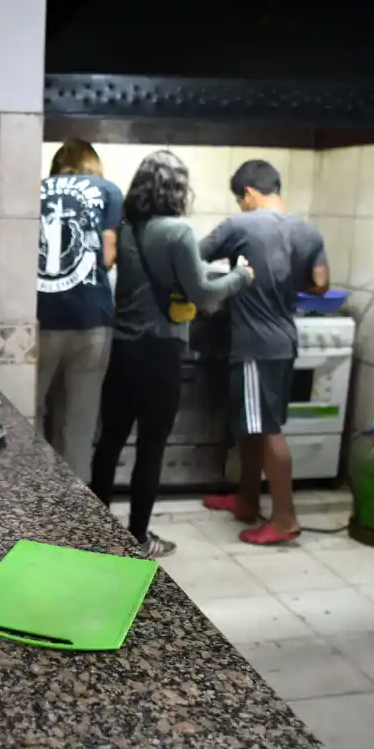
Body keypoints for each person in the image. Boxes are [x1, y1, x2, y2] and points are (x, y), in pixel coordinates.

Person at [90, 150, 253, 558]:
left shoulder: (125, 228)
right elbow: (203, 294)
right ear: (177, 189)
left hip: (121, 351)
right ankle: (138, 538)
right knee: (151, 447)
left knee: (109, 443)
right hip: (160, 353)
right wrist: (240, 277)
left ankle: (93, 533)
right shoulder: (177, 232)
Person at [198, 160, 329, 545]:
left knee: (267, 429)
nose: (241, 206)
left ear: (250, 194)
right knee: (251, 425)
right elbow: (321, 283)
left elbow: (190, 257)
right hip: (285, 338)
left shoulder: (242, 224)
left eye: (241, 200)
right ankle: (246, 500)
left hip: (257, 344)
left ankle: (285, 518)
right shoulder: (306, 228)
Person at [36, 139, 122, 481]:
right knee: (79, 425)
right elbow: (108, 255)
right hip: (91, 320)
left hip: (38, 318)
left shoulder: (36, 190)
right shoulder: (108, 190)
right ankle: (71, 521)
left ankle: (33, 505)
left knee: (34, 415)